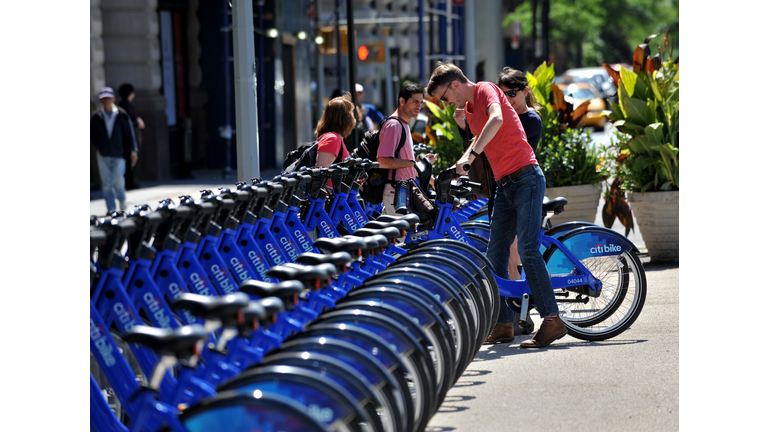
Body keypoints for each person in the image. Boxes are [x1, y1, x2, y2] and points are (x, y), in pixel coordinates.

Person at [427, 63, 565, 348]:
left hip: (526, 176)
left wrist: (472, 154)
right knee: (495, 254)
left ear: (454, 84)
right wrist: (462, 162)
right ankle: (504, 323)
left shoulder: (485, 89)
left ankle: (553, 320)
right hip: (504, 185)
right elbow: (478, 138)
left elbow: (497, 119)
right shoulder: (468, 109)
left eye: (443, 96)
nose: (445, 103)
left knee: (527, 249)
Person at [377, 81, 435, 215]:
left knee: (399, 235)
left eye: (421, 102)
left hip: (402, 191)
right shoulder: (393, 125)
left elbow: (403, 162)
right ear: (402, 101)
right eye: (415, 102)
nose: (419, 106)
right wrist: (412, 163)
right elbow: (383, 161)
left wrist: (418, 164)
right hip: (396, 193)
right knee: (404, 236)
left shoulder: (404, 124)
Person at [91, 87, 138, 213]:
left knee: (118, 179)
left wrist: (133, 150)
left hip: (119, 152)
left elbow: (129, 133)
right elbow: (92, 134)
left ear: (113, 99)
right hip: (103, 153)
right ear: (101, 100)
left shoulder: (121, 115)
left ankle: (122, 200)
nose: (106, 101)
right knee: (106, 182)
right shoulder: (96, 116)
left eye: (108, 98)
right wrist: (97, 145)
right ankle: (111, 208)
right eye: (104, 98)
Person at [314, 92, 355, 189]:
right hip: (330, 200)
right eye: (351, 114)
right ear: (345, 119)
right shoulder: (332, 139)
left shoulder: (335, 138)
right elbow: (320, 174)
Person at [117, 83, 145, 190]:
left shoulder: (124, 104)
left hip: (128, 138)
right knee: (131, 160)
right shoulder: (125, 105)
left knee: (131, 160)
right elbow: (130, 121)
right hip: (129, 138)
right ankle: (132, 182)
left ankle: (133, 181)